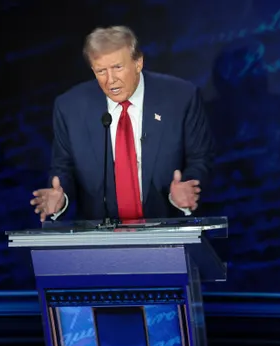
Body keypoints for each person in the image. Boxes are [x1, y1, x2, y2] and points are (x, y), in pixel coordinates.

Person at [29, 26, 215, 222]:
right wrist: (61, 197)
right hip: (100, 239)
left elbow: (200, 158)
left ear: (138, 62)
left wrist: (186, 189)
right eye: (101, 71)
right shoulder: (69, 107)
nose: (111, 80)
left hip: (168, 229)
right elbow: (63, 168)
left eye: (118, 67)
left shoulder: (180, 97)